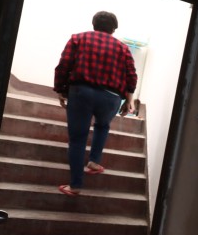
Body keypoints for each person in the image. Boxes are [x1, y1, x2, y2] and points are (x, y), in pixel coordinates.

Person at [52, 11, 137, 196]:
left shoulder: (78, 39)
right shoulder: (123, 48)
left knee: (77, 140)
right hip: (111, 97)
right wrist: (128, 102)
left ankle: (75, 186)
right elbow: (131, 76)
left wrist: (60, 90)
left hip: (81, 92)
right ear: (114, 29)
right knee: (103, 125)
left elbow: (64, 65)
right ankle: (94, 161)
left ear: (93, 24)